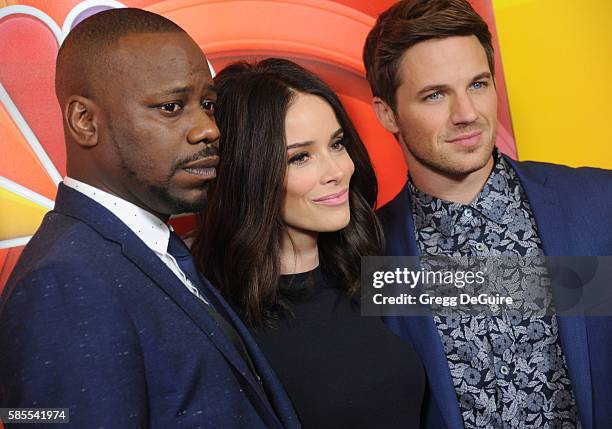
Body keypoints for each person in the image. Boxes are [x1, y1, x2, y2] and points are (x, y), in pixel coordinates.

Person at [0, 9, 299, 429]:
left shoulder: (152, 248)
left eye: (207, 105)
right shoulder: (65, 281)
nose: (208, 129)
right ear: (85, 122)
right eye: (171, 107)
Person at [362, 1, 612, 428]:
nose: (466, 114)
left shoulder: (597, 204)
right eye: (435, 94)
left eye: (477, 84)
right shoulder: (369, 252)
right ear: (387, 112)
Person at [192, 58, 425, 429]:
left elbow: (524, 290)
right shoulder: (213, 322)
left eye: (336, 144)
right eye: (300, 157)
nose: (337, 171)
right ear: (249, 173)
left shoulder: (369, 267)